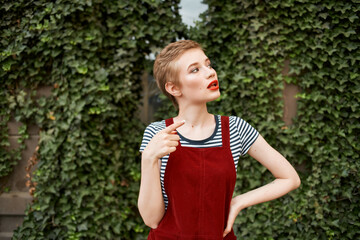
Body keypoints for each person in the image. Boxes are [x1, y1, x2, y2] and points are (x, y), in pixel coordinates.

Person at [138, 40, 301, 240]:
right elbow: (152, 219)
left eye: (208, 64)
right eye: (195, 70)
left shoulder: (235, 129)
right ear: (174, 88)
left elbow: (290, 178)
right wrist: (149, 158)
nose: (210, 72)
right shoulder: (157, 134)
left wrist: (238, 202)